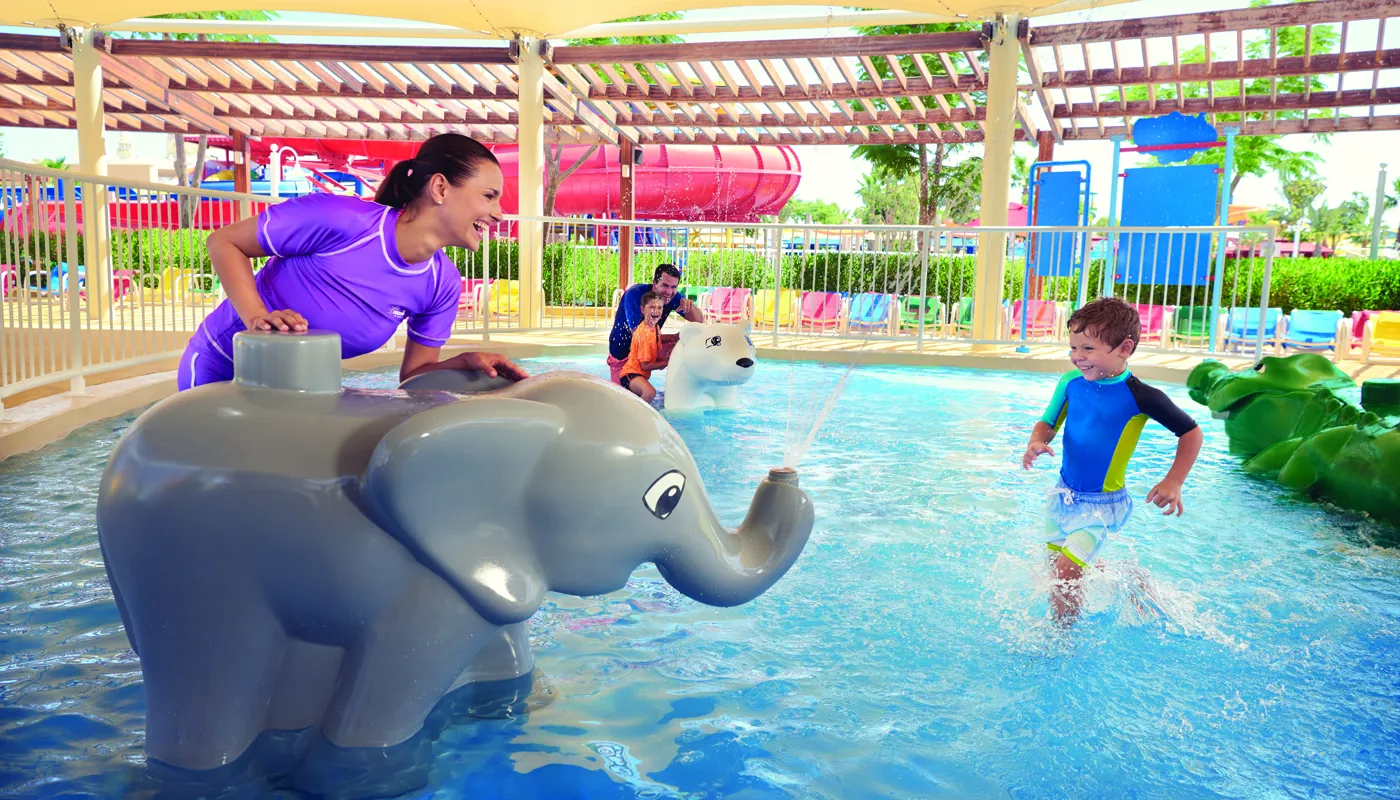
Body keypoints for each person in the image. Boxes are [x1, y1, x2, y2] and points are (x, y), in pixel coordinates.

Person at [178, 133, 528, 391]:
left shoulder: (441, 284)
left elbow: (414, 376)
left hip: (295, 393)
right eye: (489, 196)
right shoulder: (341, 220)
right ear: (440, 189)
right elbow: (224, 241)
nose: (498, 214)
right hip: (221, 370)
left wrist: (462, 363)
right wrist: (257, 316)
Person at [1020, 297, 1204, 622]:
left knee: (1067, 573)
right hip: (1063, 495)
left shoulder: (1141, 396)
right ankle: (1128, 578)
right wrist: (1037, 440)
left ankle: (1061, 639)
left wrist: (1174, 480)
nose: (1078, 357)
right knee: (1056, 571)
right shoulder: (1070, 383)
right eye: (1073, 348)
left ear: (1124, 348)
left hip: (1101, 505)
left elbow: (1191, 432)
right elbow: (1048, 423)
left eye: (1088, 349)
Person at [607, 264, 704, 385]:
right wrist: (672, 339)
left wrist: (690, 306)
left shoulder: (671, 297)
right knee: (627, 400)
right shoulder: (635, 294)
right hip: (622, 357)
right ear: (655, 283)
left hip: (648, 351)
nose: (669, 291)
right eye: (665, 285)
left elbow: (699, 320)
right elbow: (640, 337)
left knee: (681, 345)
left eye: (674, 287)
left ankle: (681, 387)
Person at [618, 291, 669, 403]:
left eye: (660, 307)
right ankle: (637, 418)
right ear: (642, 309)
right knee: (650, 393)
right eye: (652, 307)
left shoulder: (654, 328)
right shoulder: (643, 333)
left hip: (638, 375)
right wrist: (666, 363)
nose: (656, 311)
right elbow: (645, 366)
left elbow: (658, 339)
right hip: (630, 375)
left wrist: (675, 337)